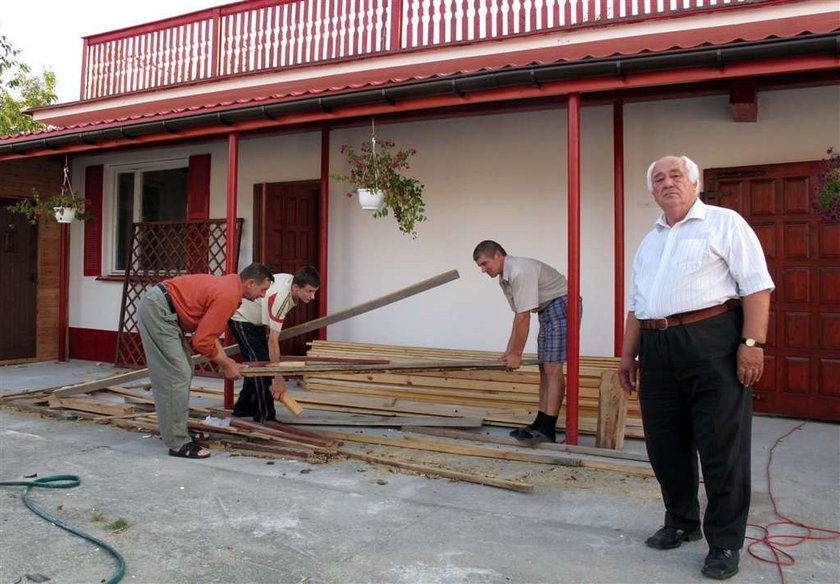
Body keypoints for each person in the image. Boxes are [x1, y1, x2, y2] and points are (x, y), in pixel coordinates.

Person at [619, 155, 773, 580]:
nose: (667, 183)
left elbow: (757, 286)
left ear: (694, 182)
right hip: (657, 346)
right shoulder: (650, 240)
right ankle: (682, 521)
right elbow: (637, 305)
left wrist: (752, 344)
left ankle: (724, 543)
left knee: (722, 446)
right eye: (658, 178)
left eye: (675, 175)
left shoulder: (725, 223)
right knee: (664, 444)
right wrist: (627, 355)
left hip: (712, 341)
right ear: (652, 190)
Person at [137, 263, 275, 459]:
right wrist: (227, 365)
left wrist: (227, 361)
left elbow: (208, 334)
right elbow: (202, 342)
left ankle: (176, 430)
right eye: (262, 290)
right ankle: (177, 442)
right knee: (177, 375)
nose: (262, 295)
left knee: (183, 371)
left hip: (163, 309)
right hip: (158, 310)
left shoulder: (230, 288)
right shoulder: (228, 295)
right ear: (251, 283)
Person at [473, 240, 576, 444]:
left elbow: (524, 318)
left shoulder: (519, 271)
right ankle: (540, 422)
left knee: (552, 369)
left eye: (485, 264)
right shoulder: (505, 277)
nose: (483, 270)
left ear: (498, 255)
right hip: (547, 311)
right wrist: (509, 351)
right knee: (543, 369)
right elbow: (517, 317)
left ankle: (548, 429)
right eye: (480, 266)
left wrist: (517, 355)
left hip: (562, 306)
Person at [228, 266, 320, 422]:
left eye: (314, 291)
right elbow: (272, 341)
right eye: (309, 291)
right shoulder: (280, 298)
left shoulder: (292, 281)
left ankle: (243, 409)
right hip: (241, 318)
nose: (313, 297)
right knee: (261, 369)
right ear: (296, 287)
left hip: (256, 321)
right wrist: (278, 379)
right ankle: (266, 417)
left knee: (257, 363)